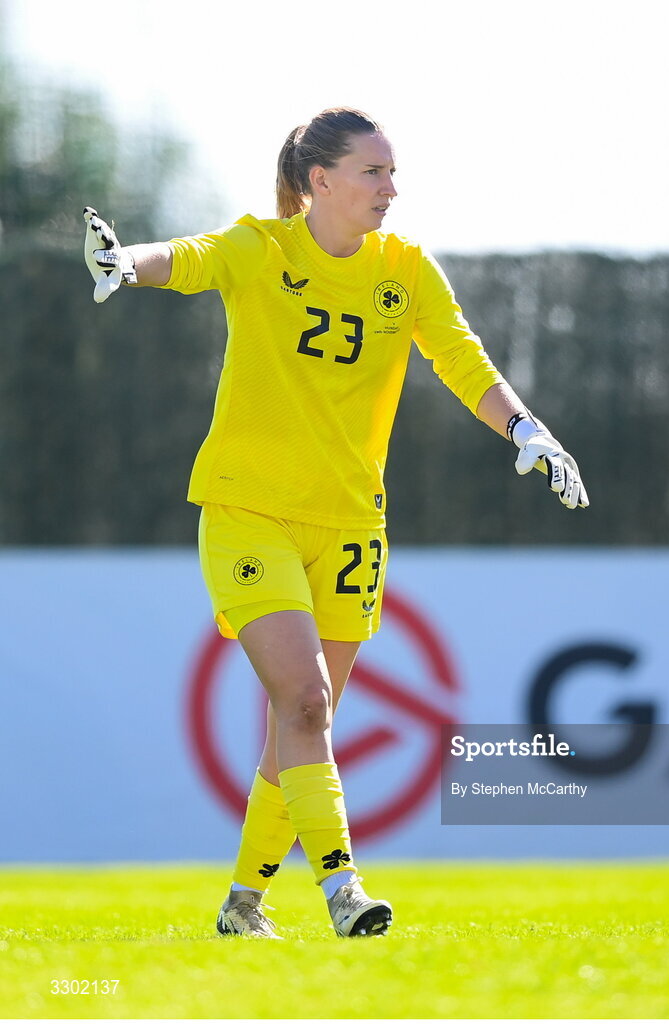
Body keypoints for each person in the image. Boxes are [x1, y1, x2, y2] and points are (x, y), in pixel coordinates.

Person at [82, 106, 588, 940]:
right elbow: (188, 259)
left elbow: (460, 356)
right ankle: (343, 888)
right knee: (306, 699)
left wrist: (528, 429)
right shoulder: (262, 247)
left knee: (303, 724)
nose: (392, 187)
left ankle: (244, 903)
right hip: (250, 512)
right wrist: (125, 264)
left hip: (352, 526)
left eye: (391, 172)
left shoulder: (407, 270)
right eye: (374, 171)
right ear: (320, 182)